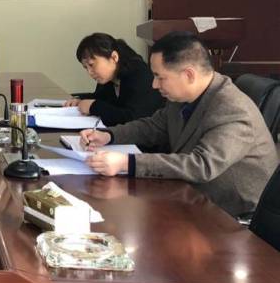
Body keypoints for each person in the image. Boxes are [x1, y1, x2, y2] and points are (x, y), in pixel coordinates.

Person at [80, 32, 277, 218]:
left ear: (189, 75)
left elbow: (201, 165)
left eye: (160, 77)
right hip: (190, 194)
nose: (154, 85)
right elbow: (154, 126)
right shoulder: (183, 96)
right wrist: (108, 135)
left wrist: (127, 163)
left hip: (231, 215)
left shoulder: (232, 109)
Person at [65, 33, 164, 126]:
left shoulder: (140, 75)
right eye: (86, 68)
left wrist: (93, 107)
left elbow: (133, 118)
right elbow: (101, 98)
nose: (90, 72)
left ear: (114, 57)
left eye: (91, 65)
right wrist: (80, 100)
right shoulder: (108, 78)